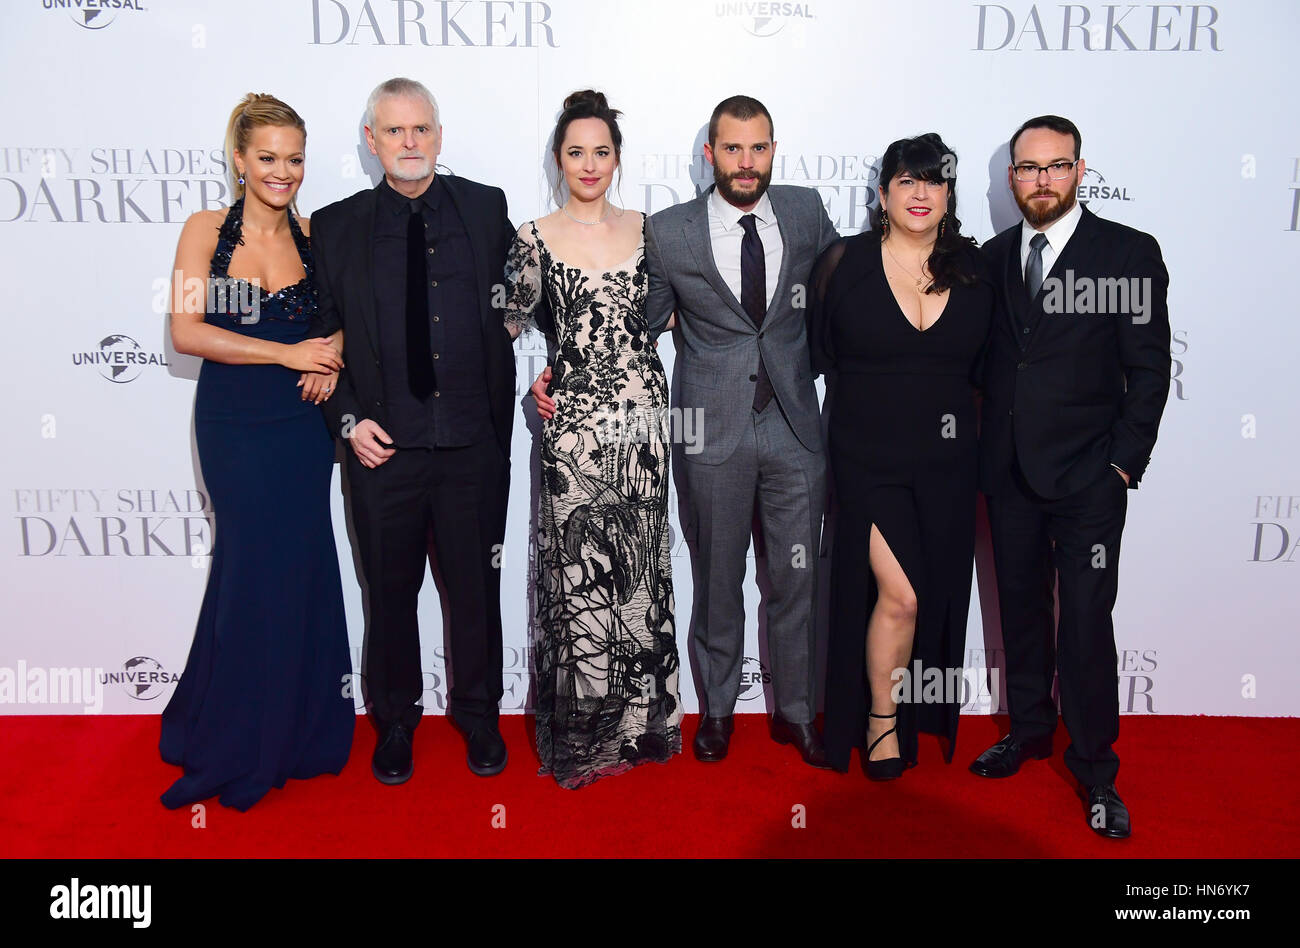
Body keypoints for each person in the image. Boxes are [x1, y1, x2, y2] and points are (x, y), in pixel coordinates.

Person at [535, 95, 839, 767]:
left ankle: (795, 713)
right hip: (709, 432)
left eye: (758, 147)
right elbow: (630, 325)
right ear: (710, 154)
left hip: (795, 428)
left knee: (795, 582)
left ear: (773, 149)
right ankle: (721, 712)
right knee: (718, 577)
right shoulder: (670, 232)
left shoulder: (807, 211)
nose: (746, 161)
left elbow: (844, 297)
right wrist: (561, 370)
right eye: (732, 148)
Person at [307, 77, 516, 783]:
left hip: (471, 447)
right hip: (381, 451)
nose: (409, 143)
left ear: (438, 134)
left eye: (420, 129)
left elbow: (528, 303)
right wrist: (346, 420)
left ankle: (479, 716)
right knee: (388, 594)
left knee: (475, 592)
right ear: (372, 141)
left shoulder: (487, 210)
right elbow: (317, 337)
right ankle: (394, 721)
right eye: (394, 132)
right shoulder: (334, 227)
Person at [970, 115, 1171, 838]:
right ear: (1012, 179)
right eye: (1028, 168)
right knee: (1019, 610)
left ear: (1080, 171)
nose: (1042, 180)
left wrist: (1121, 465)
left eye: (1056, 166)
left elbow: (1149, 370)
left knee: (1084, 623)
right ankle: (1028, 732)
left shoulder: (1127, 253)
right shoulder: (992, 259)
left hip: (1090, 477)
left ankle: (1094, 769)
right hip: (1010, 472)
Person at [159, 93, 353, 811]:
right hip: (234, 426)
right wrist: (285, 352)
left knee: (298, 567)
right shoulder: (204, 230)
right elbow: (186, 331)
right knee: (247, 569)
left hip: (302, 430)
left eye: (295, 159)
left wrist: (326, 352)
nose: (283, 172)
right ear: (239, 160)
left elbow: (344, 321)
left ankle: (299, 732)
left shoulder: (314, 236)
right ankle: (236, 736)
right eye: (267, 158)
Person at [503, 90, 681, 789]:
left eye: (601, 151)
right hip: (572, 435)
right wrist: (531, 383)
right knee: (581, 586)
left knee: (639, 574)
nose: (589, 163)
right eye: (575, 151)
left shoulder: (652, 230)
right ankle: (585, 736)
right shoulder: (532, 237)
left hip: (643, 429)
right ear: (558, 158)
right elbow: (502, 331)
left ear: (616, 158)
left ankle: (641, 729)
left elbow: (679, 314)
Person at [809, 134, 994, 780]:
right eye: (907, 181)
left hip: (948, 466)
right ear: (883, 194)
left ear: (949, 194)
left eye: (934, 181)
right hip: (866, 459)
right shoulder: (844, 264)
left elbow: (995, 368)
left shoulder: (975, 270)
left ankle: (909, 716)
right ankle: (881, 722)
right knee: (903, 597)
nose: (921, 193)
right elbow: (810, 354)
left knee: (932, 593)